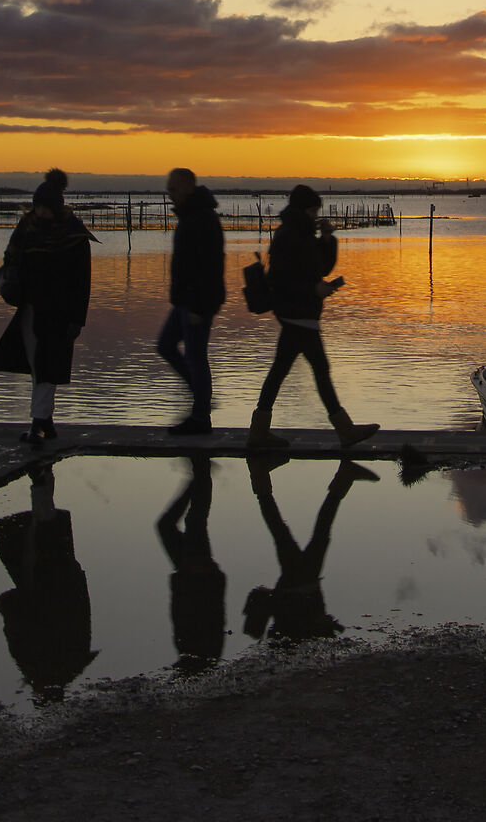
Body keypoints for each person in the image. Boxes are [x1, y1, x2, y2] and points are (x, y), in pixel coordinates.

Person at [247, 185, 379, 452]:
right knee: (316, 369)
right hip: (296, 313)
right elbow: (279, 280)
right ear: (305, 210)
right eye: (314, 210)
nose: (316, 215)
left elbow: (321, 267)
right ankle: (345, 430)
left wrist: (327, 239)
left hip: (301, 313)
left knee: (286, 370)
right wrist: (312, 289)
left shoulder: (304, 235)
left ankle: (260, 430)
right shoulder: (288, 235)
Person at [0, 176, 93, 445]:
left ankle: (39, 422)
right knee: (39, 364)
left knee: (47, 364)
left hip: (59, 311)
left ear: (55, 207)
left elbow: (82, 282)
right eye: (37, 206)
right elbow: (11, 256)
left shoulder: (73, 234)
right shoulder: (28, 227)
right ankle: (44, 421)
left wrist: (77, 319)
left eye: (44, 207)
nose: (39, 212)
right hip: (31, 306)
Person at [0, 462, 96, 700]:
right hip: (47, 589)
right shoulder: (50, 665)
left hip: (54, 587)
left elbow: (18, 634)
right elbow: (17, 633)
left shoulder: (59, 664)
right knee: (42, 533)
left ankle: (43, 480)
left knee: (44, 532)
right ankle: (41, 481)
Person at [243, 457, 375, 644]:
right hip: (296, 588)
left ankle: (343, 478)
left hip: (301, 588)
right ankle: (260, 479)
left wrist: (320, 622)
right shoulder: (287, 645)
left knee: (313, 534)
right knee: (286, 533)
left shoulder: (296, 644)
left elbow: (303, 623)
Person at [158, 166, 226, 435]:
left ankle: (200, 418)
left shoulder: (202, 219)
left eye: (173, 188)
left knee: (196, 357)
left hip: (197, 301)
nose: (170, 193)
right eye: (168, 188)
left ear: (187, 187)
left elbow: (210, 267)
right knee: (166, 345)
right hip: (184, 299)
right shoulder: (190, 216)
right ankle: (201, 398)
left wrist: (202, 306)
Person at [155, 456, 226, 674]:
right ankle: (201, 475)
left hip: (188, 575)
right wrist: (209, 576)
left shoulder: (191, 649)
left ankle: (199, 476)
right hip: (198, 577)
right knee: (192, 521)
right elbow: (212, 615)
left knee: (172, 524)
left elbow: (179, 615)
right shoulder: (204, 648)